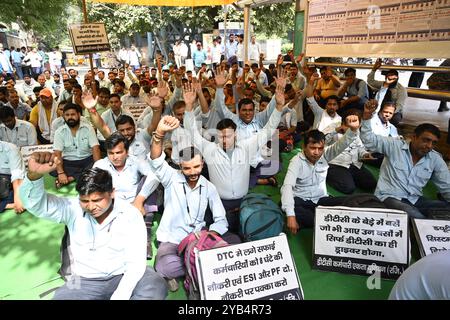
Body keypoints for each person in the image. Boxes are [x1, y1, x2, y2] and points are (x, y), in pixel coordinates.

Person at [19, 154, 168, 300]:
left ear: (112, 193)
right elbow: (36, 205)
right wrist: (34, 177)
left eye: (97, 200)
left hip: (124, 274)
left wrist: (120, 296)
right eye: (85, 200)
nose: (91, 207)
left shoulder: (130, 214)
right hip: (85, 280)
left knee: (155, 285)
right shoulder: (72, 209)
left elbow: (135, 264)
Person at [149, 116, 240, 291]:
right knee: (163, 265)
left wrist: (209, 234)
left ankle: (192, 266)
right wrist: (159, 133)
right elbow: (156, 160)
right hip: (173, 240)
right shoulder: (171, 178)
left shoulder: (209, 187)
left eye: (196, 167)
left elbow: (221, 219)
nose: (192, 172)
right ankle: (202, 266)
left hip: (200, 240)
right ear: (180, 166)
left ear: (202, 164)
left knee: (235, 241)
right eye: (187, 168)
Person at [361, 100, 450, 219]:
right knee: (416, 217)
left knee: (444, 209)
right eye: (426, 140)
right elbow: (368, 140)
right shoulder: (394, 146)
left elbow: (447, 186)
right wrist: (366, 117)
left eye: (433, 143)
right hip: (389, 198)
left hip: (415, 200)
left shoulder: (435, 159)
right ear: (414, 137)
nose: (429, 146)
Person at [281, 119, 360, 233]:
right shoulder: (296, 161)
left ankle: (317, 219)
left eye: (320, 148)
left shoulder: (325, 155)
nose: (317, 152)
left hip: (321, 200)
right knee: (295, 209)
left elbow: (341, 145)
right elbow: (287, 187)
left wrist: (353, 129)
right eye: (313, 148)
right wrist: (291, 216)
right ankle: (320, 219)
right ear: (304, 146)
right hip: (302, 201)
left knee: (351, 202)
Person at [93, 132, 160, 259]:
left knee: (150, 186)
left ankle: (146, 236)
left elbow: (155, 176)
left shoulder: (136, 161)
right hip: (112, 205)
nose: (115, 157)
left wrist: (139, 200)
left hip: (135, 205)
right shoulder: (100, 165)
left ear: (127, 151)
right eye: (111, 153)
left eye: (119, 152)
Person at [325, 109, 377, 194]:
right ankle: (328, 174)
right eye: (348, 124)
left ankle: (349, 177)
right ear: (342, 124)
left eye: (355, 123)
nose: (351, 127)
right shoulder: (334, 131)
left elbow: (360, 148)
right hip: (337, 165)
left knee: (371, 184)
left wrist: (365, 154)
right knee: (348, 188)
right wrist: (335, 131)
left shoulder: (357, 133)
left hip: (354, 164)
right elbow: (322, 141)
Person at [52, 103, 101, 188]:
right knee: (53, 168)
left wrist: (98, 168)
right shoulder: (59, 132)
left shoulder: (88, 128)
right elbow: (57, 154)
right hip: (68, 162)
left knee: (97, 166)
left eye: (73, 114)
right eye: (67, 115)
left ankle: (71, 178)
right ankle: (83, 176)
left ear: (79, 115)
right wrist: (61, 172)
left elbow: (95, 149)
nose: (70, 117)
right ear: (63, 116)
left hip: (87, 160)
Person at [367, 58, 407, 125]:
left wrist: (388, 112)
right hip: (380, 107)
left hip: (393, 111)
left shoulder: (401, 90)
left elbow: (399, 105)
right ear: (386, 78)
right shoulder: (384, 84)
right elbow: (370, 81)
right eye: (389, 78)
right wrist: (374, 69)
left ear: (397, 78)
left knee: (395, 118)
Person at [0, 141, 25, 214]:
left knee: (5, 184)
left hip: (13, 183)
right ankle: (8, 205)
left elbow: (17, 176)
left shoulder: (10, 148)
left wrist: (18, 198)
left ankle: (13, 203)